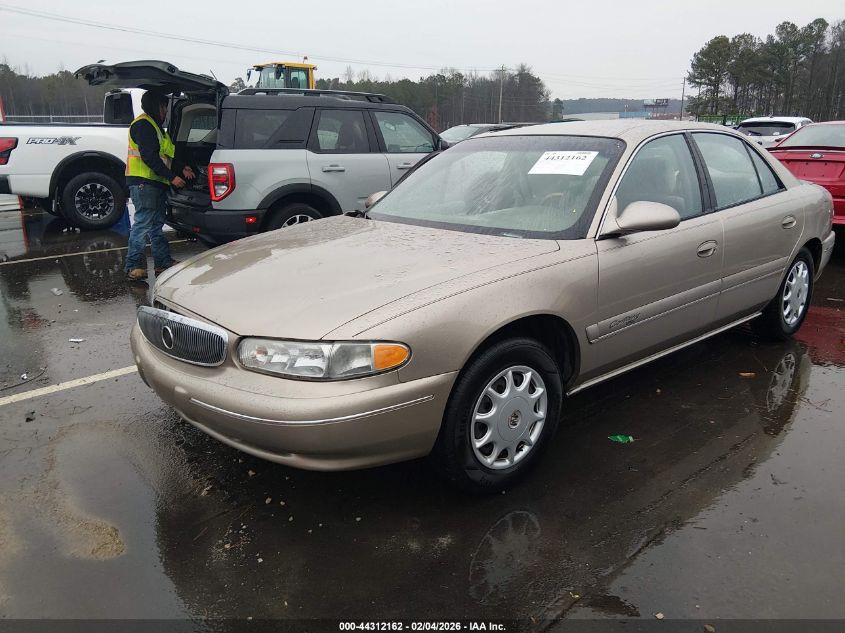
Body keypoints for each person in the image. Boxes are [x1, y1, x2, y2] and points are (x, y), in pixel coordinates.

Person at [124, 89, 195, 281]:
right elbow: (150, 157)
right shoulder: (144, 125)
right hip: (144, 183)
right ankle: (134, 266)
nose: (165, 111)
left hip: (154, 183)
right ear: (155, 106)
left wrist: (183, 169)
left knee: (155, 226)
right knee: (143, 224)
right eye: (163, 107)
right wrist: (173, 178)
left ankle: (162, 263)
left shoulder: (156, 127)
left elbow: (166, 155)